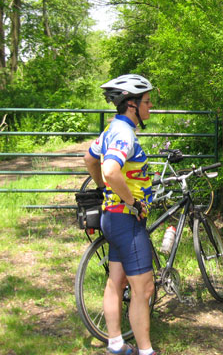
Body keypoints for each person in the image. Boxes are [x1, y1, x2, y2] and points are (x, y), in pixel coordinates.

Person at [83, 74, 157, 355]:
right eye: (147, 102)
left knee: (116, 280)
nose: (150, 107)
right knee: (144, 289)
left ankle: (115, 344)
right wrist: (132, 202)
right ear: (131, 105)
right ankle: (146, 351)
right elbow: (112, 170)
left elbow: (90, 158)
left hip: (111, 217)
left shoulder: (111, 129)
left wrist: (106, 189)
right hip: (126, 220)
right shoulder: (125, 134)